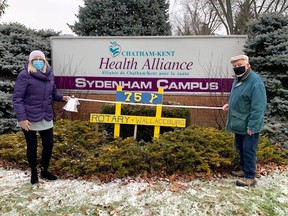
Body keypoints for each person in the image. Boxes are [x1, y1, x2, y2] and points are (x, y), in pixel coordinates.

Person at [13, 50, 70, 184]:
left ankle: (44, 170)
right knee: (32, 146)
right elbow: (17, 98)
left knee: (49, 144)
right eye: (35, 59)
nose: (38, 61)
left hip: (46, 115)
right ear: (31, 61)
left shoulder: (50, 75)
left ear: (44, 61)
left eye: (41, 59)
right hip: (29, 118)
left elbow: (53, 93)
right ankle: (34, 172)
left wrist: (62, 98)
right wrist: (22, 118)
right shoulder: (24, 75)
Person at [222, 54, 267, 187]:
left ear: (247, 65)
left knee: (248, 150)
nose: (237, 68)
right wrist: (229, 104)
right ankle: (243, 170)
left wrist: (252, 126)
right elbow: (239, 97)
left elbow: (258, 106)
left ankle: (250, 177)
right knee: (241, 148)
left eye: (240, 66)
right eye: (235, 66)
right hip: (239, 123)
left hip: (249, 125)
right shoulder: (238, 79)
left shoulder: (255, 81)